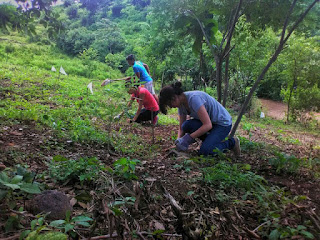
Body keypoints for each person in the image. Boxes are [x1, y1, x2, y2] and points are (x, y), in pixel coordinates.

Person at [159, 82, 241, 156]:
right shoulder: (181, 105)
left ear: (174, 97)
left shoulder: (194, 99)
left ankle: (232, 142)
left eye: (169, 104)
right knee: (186, 126)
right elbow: (181, 127)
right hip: (210, 123)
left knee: (206, 151)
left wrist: (188, 138)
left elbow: (207, 125)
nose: (171, 106)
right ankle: (209, 141)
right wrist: (179, 141)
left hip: (222, 124)